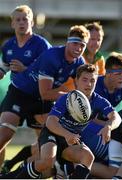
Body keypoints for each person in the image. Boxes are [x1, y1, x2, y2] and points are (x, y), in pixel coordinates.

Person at [1, 64, 122, 179]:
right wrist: (67, 134)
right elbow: (51, 122)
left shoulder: (99, 101)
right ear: (76, 81)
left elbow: (116, 117)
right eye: (84, 80)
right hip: (53, 134)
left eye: (92, 81)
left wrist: (109, 127)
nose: (89, 84)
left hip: (71, 140)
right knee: (46, 162)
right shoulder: (66, 98)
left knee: (88, 157)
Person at [0, 24, 90, 174]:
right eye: (75, 43)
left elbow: (80, 91)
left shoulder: (79, 62)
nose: (79, 48)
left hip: (41, 102)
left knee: (48, 142)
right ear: (68, 41)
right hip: (21, 93)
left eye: (82, 45)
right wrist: (70, 96)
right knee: (5, 135)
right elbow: (46, 93)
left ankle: (13, 170)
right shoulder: (53, 56)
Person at [0, 4, 52, 170]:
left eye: (25, 19)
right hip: (17, 94)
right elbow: (4, 67)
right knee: (4, 134)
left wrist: (26, 69)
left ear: (32, 23)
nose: (22, 22)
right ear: (12, 24)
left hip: (40, 96)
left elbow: (50, 73)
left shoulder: (42, 45)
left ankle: (22, 169)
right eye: (18, 20)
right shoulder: (8, 46)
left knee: (45, 145)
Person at [80, 51, 122, 178]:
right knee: (120, 164)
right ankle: (72, 165)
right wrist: (113, 125)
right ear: (107, 73)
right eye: (118, 73)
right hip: (87, 127)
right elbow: (89, 119)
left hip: (107, 126)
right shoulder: (95, 86)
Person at [60, 21, 105, 92]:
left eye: (99, 40)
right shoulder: (76, 57)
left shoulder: (100, 59)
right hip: (67, 95)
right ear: (85, 39)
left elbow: (100, 83)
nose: (96, 43)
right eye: (92, 39)